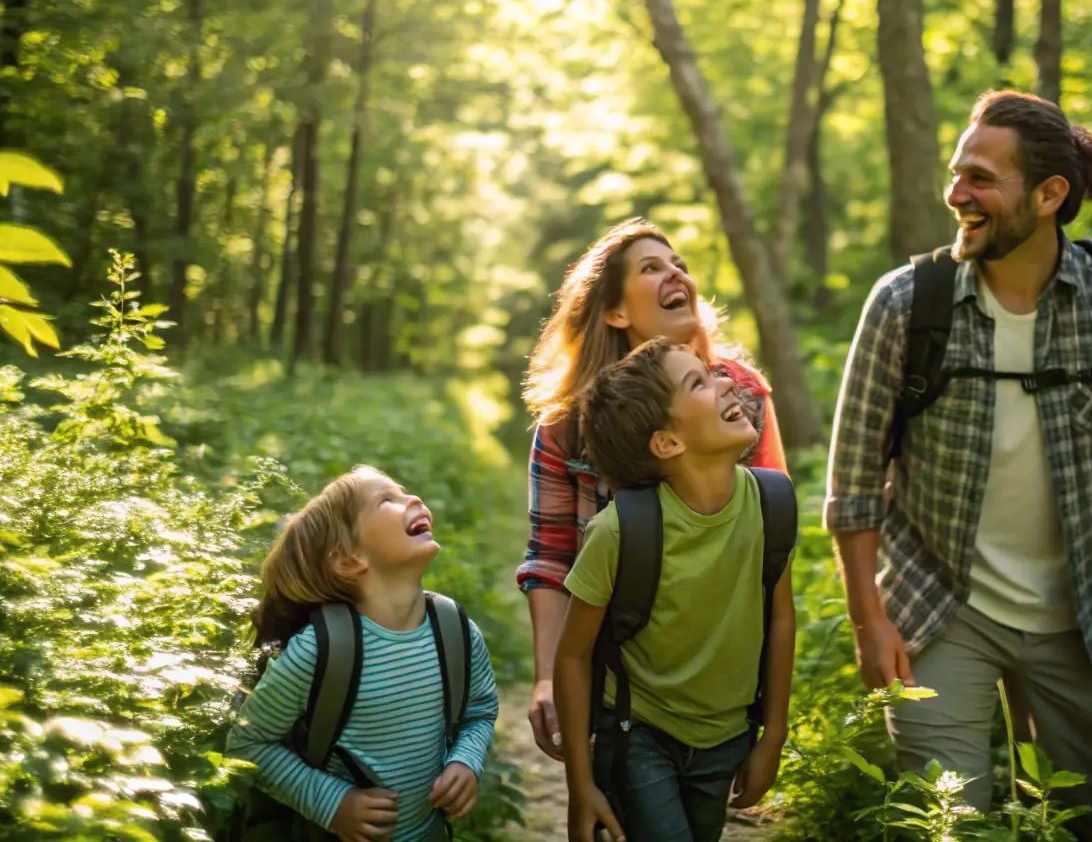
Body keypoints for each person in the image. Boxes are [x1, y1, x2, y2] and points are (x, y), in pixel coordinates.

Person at [825, 89, 1092, 842]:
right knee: (948, 825)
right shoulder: (904, 306)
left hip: (1077, 620)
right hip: (937, 611)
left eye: (981, 179)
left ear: (1049, 195)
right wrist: (869, 621)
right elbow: (852, 485)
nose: (957, 194)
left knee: (1087, 825)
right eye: (956, 174)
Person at [518, 218, 788, 761]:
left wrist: (770, 712)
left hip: (716, 676)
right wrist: (549, 677)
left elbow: (771, 542)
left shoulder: (742, 395)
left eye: (679, 265)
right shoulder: (567, 425)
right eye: (651, 268)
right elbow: (551, 559)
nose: (676, 274)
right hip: (609, 664)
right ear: (615, 312)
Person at [554, 337, 796, 842]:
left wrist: (774, 735)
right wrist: (580, 785)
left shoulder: (772, 504)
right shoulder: (619, 532)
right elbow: (573, 655)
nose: (726, 382)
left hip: (727, 736)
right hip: (638, 734)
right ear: (667, 443)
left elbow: (780, 618)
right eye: (699, 383)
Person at [227, 466, 500, 842]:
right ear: (348, 560)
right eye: (387, 500)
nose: (414, 499)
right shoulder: (318, 652)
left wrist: (466, 760)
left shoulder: (456, 631)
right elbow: (247, 743)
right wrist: (332, 804)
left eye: (404, 491)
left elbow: (479, 712)